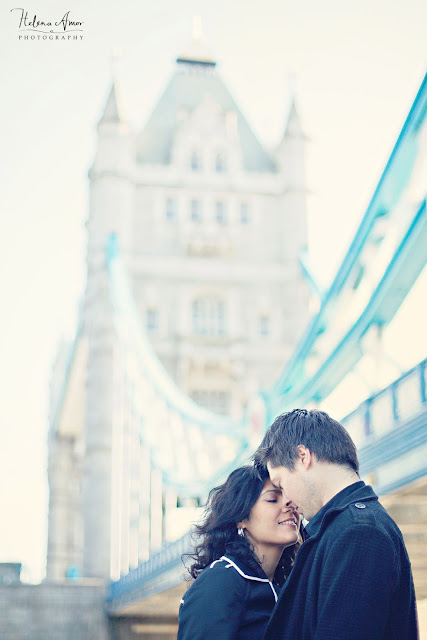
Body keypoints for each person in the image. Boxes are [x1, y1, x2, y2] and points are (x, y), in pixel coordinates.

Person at [253, 408, 419, 640]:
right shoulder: (345, 528)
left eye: (281, 483)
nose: (287, 499)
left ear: (303, 456)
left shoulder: (359, 533)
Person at [177, 465, 303, 640]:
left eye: (292, 498)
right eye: (273, 499)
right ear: (241, 518)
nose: (289, 505)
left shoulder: (287, 586)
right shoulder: (221, 581)